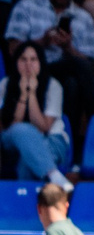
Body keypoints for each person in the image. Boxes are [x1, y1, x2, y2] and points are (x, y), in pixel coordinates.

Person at [8, 0, 94, 116]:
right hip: (33, 70)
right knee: (76, 67)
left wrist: (68, 47)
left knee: (72, 83)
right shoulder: (26, 7)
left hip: (65, 72)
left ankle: (72, 131)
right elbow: (13, 50)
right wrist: (42, 42)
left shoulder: (84, 18)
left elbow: (91, 65)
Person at [1, 38, 67, 186]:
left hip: (50, 140)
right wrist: (23, 95)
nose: (28, 64)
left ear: (40, 62)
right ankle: (53, 175)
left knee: (26, 162)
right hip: (12, 143)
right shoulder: (4, 85)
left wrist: (32, 94)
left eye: (33, 59)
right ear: (16, 62)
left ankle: (26, 199)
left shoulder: (53, 86)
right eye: (23, 59)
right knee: (20, 129)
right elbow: (10, 127)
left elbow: (44, 127)